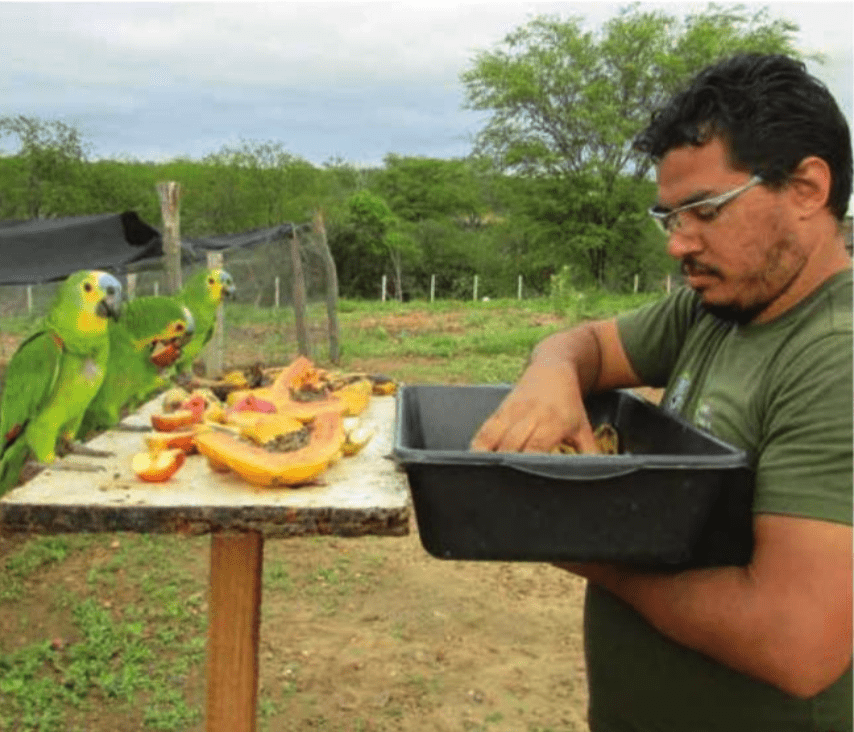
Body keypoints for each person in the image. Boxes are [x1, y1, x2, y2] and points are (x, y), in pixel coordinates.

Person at [471, 53, 853, 731]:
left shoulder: (835, 357)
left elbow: (798, 643)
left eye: (704, 210)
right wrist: (550, 376)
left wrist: (590, 552)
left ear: (806, 188)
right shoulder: (718, 307)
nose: (679, 246)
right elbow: (583, 345)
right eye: (671, 217)